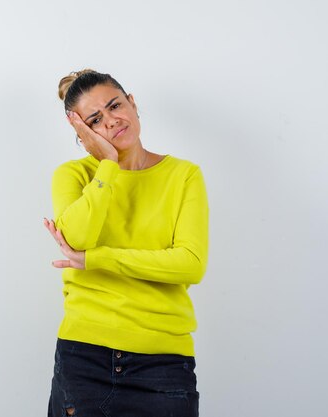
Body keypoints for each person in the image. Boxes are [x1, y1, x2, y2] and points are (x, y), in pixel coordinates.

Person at [44, 69, 208, 417]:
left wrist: (96, 259)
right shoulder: (73, 176)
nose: (112, 121)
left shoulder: (183, 175)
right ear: (82, 133)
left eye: (115, 105)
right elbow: (77, 238)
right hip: (84, 357)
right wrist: (108, 166)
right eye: (95, 120)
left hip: (163, 364)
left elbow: (190, 264)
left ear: (132, 103)